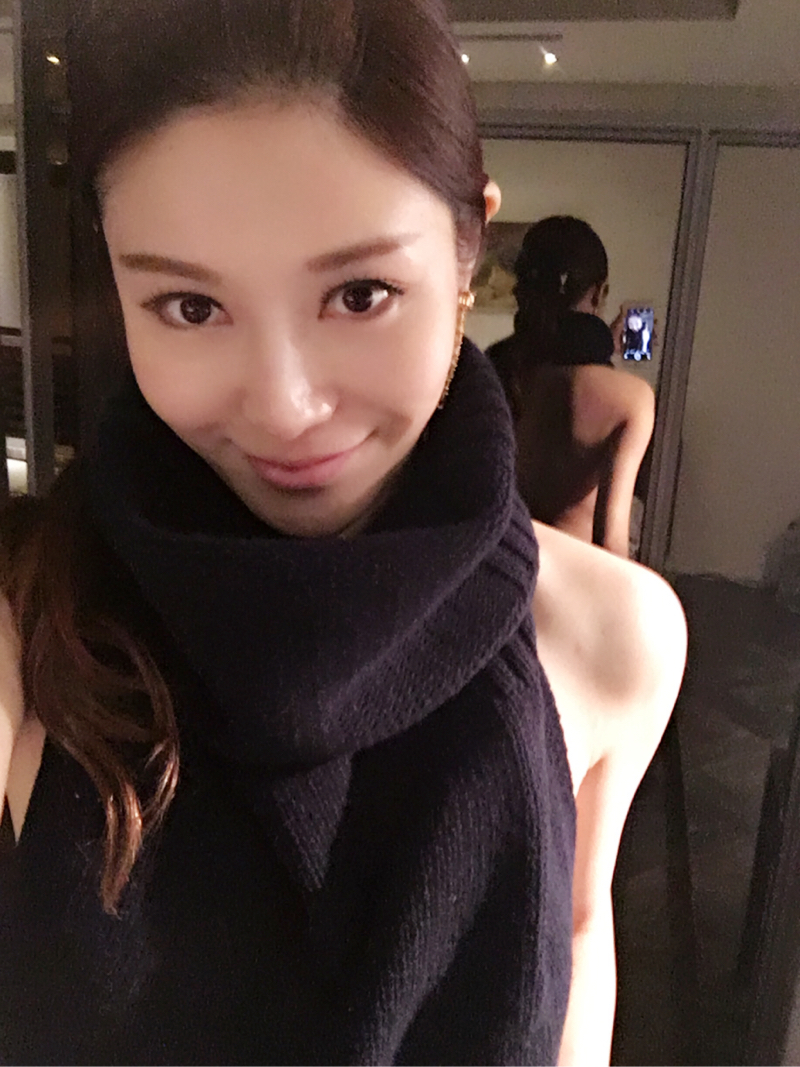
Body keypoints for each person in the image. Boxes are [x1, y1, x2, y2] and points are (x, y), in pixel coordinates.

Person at [0, 2, 686, 1064]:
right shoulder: (26, 622)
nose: (284, 407)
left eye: (360, 294)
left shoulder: (611, 636)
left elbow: (578, 938)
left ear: (469, 252)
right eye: (189, 306)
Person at [488, 216, 656, 557]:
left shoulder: (495, 369)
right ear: (598, 292)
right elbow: (611, 544)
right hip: (572, 573)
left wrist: (600, 349)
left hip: (499, 563)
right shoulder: (630, 397)